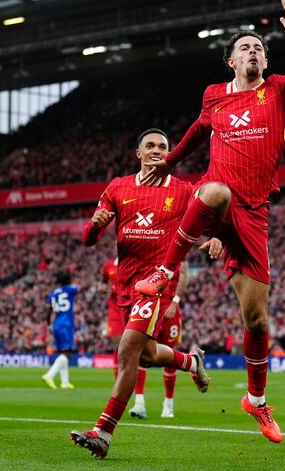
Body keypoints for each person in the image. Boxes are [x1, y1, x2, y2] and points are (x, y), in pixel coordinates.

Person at [135, 0, 285, 443]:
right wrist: (171, 163)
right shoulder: (214, 97)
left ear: (265, 61)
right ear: (230, 60)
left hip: (254, 214)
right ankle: (165, 272)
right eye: (245, 47)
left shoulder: (281, 88)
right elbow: (194, 130)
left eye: (259, 48)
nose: (254, 51)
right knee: (213, 189)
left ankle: (257, 401)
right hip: (218, 199)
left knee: (256, 321)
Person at [70, 129, 220, 459]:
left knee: (127, 353)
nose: (156, 151)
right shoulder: (118, 187)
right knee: (146, 355)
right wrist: (96, 225)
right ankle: (192, 362)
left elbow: (216, 212)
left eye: (163, 147)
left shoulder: (183, 191)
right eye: (150, 146)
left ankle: (103, 432)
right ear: (138, 153)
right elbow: (88, 239)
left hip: (156, 286)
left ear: (170, 154)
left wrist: (220, 237)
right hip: (125, 286)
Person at [129, 261, 191, 419]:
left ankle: (168, 405)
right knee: (141, 353)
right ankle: (139, 403)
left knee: (170, 356)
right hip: (148, 306)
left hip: (169, 307)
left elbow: (184, 274)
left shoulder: (177, 249)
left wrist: (175, 303)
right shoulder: (151, 245)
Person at [42, 272, 78, 390]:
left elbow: (48, 311)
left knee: (62, 352)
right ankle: (49, 375)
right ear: (68, 280)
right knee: (67, 353)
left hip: (56, 323)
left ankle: (65, 382)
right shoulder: (70, 289)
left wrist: (48, 325)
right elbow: (80, 288)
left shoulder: (53, 293)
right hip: (66, 323)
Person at [101, 257, 122, 380]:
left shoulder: (135, 261)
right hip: (115, 308)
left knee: (138, 348)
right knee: (117, 344)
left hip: (133, 306)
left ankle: (139, 393)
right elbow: (103, 281)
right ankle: (118, 384)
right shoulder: (108, 265)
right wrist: (102, 287)